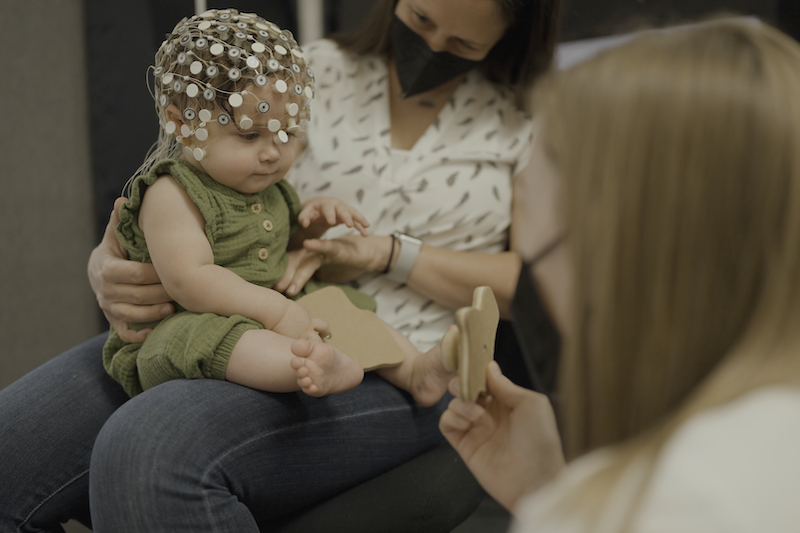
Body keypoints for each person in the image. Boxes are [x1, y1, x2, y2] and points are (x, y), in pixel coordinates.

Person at [0, 0, 560, 531]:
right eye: (419, 17)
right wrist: (111, 266)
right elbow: (193, 196)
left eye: (462, 41)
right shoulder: (300, 71)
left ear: (513, 32)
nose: (432, 45)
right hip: (237, 303)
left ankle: (402, 368)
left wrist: (391, 253)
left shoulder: (533, 118)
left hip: (394, 340)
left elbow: (548, 289)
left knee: (149, 448)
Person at [440, 19, 800, 531]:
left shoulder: (675, 501)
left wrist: (565, 508)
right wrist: (548, 487)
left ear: (606, 248)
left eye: (529, 207)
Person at [102, 10, 457, 404]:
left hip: (274, 305)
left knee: (342, 306)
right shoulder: (173, 193)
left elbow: (280, 245)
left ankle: (415, 372)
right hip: (185, 322)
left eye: (286, 133)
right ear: (182, 124)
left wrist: (314, 225)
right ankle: (305, 366)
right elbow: (190, 280)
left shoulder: (266, 186)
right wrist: (273, 311)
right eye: (250, 135)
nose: (273, 153)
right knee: (222, 338)